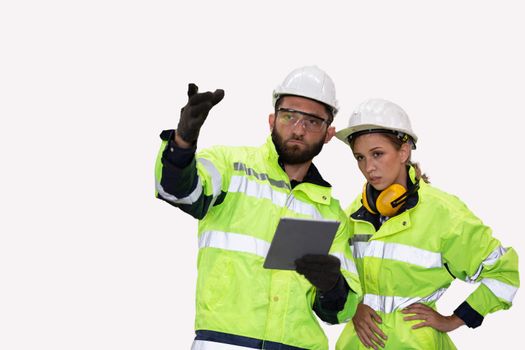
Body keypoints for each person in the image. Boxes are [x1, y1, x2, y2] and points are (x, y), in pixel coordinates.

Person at [154, 66, 362, 350]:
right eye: (290, 116)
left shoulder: (331, 214)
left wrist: (332, 286)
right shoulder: (231, 167)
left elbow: (341, 312)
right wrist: (183, 142)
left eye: (313, 122)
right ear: (272, 120)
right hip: (225, 344)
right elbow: (179, 192)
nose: (299, 129)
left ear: (328, 133)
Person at [333, 98, 519, 350]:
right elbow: (333, 276)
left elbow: (504, 275)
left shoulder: (443, 213)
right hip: (357, 344)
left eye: (377, 154)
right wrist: (352, 309)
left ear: (403, 151)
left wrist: (454, 319)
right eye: (360, 157)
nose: (368, 167)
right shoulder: (355, 213)